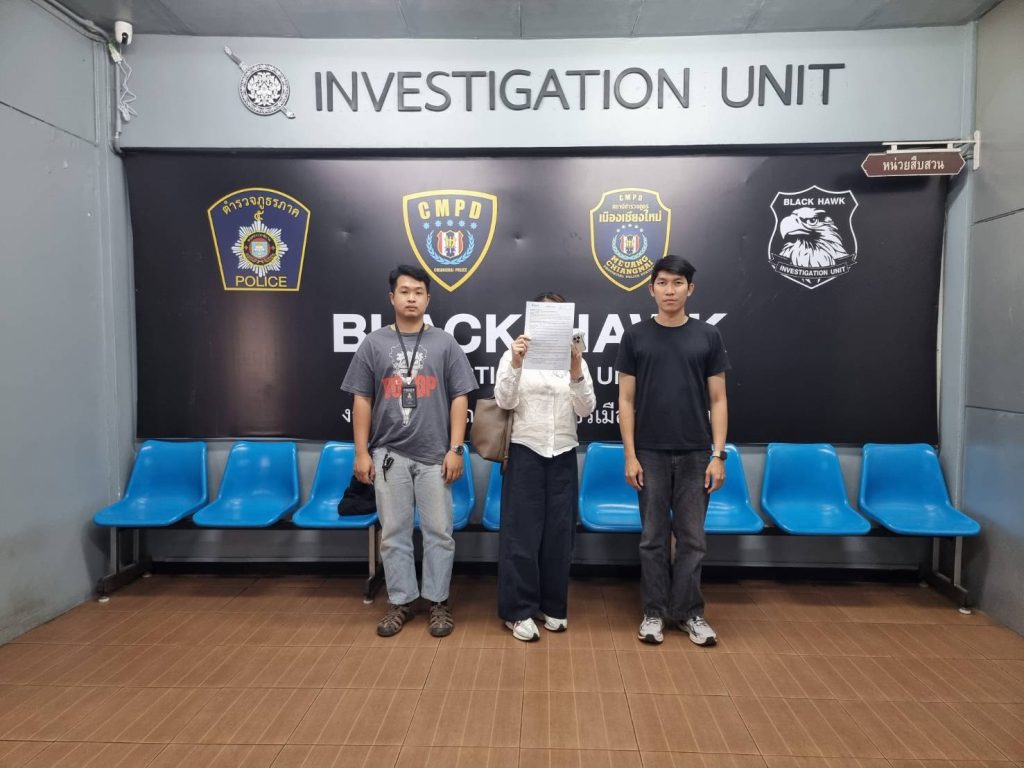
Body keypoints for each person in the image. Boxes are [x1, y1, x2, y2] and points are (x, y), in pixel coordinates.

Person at [342, 264, 478, 638]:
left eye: (418, 292)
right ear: (392, 297)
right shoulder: (373, 344)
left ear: (428, 298)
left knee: (439, 532)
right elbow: (362, 399)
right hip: (389, 455)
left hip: (435, 455)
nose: (412, 298)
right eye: (404, 291)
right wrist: (361, 452)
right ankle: (400, 601)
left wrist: (456, 448)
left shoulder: (445, 343)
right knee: (394, 533)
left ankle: (438, 601)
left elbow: (460, 396)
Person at [615, 255, 730, 646]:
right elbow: (625, 400)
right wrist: (630, 455)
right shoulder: (635, 337)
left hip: (697, 452)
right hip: (649, 452)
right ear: (651, 289)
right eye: (662, 283)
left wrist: (718, 454)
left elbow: (719, 399)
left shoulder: (708, 336)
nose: (669, 290)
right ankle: (654, 612)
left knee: (692, 539)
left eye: (677, 283)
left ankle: (689, 613)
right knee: (652, 538)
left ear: (690, 289)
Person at [494, 293, 596, 641]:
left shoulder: (575, 357)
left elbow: (586, 409)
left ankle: (552, 605)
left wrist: (576, 368)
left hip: (563, 452)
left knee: (559, 535)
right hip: (525, 451)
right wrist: (516, 362)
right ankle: (518, 611)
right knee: (520, 535)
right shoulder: (514, 354)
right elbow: (504, 400)